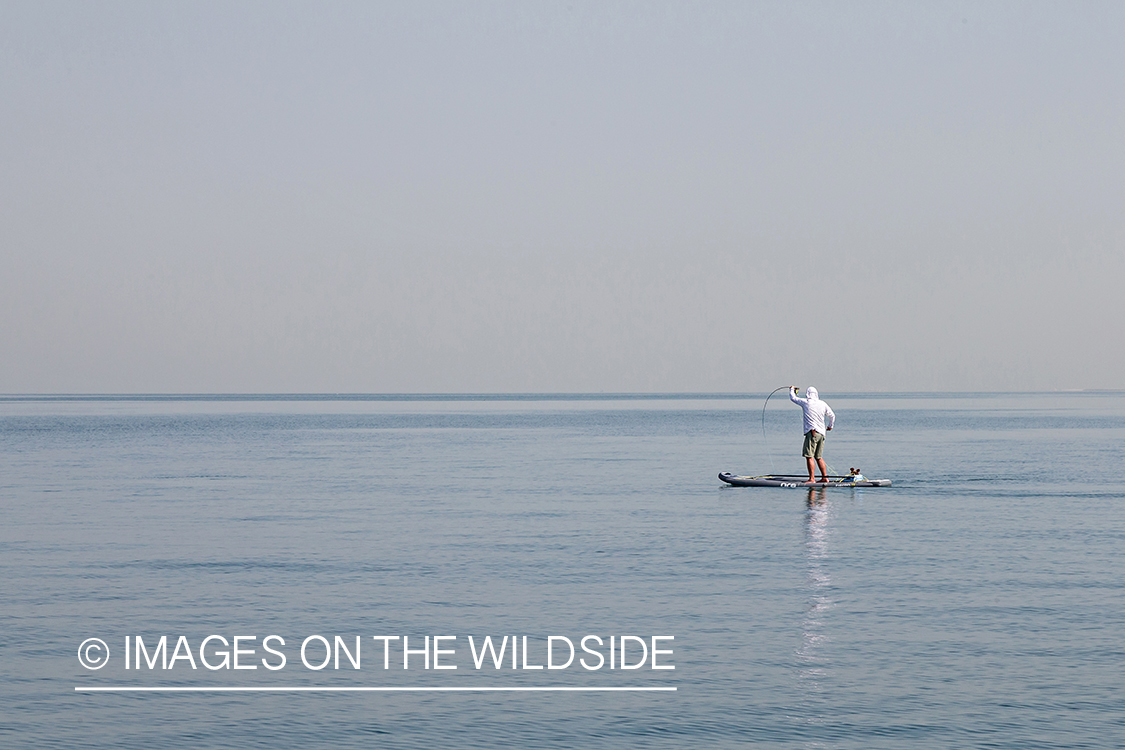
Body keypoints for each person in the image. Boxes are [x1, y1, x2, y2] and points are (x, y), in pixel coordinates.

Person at [789, 386, 835, 484]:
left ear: (807, 394)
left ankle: (812, 479)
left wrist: (792, 390)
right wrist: (830, 426)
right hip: (822, 434)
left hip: (812, 433)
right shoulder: (823, 403)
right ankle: (825, 478)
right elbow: (832, 415)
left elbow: (793, 398)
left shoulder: (806, 402)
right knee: (818, 457)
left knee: (809, 456)